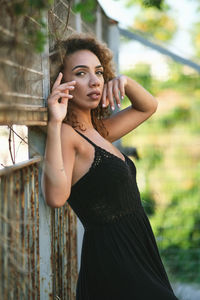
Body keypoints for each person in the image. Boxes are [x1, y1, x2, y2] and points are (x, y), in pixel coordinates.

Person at [42, 33, 179, 300]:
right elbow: (56, 197)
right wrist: (54, 122)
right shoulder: (68, 134)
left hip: (138, 251)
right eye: (81, 73)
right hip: (114, 261)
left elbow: (147, 106)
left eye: (99, 72)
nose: (95, 81)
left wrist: (125, 83)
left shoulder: (98, 132)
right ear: (59, 81)